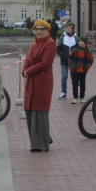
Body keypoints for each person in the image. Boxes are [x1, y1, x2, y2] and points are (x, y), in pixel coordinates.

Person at [22, 19, 56, 152]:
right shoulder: (35, 42)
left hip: (42, 81)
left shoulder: (50, 43)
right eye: (37, 29)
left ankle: (40, 144)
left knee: (40, 111)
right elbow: (28, 59)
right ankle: (43, 138)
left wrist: (28, 71)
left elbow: (45, 63)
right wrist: (24, 70)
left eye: (42, 29)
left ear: (48, 31)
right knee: (30, 109)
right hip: (32, 80)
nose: (39, 31)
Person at [56, 22, 78, 99]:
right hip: (64, 61)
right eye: (67, 27)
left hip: (73, 62)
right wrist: (62, 56)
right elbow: (58, 48)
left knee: (74, 77)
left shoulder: (76, 38)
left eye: (70, 27)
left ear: (73, 28)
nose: (68, 28)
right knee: (64, 77)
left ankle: (75, 92)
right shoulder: (62, 38)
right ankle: (63, 92)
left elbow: (79, 49)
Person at [69, 39, 93, 103]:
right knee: (75, 84)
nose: (81, 42)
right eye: (79, 41)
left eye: (82, 41)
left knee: (82, 84)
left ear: (85, 43)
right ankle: (75, 97)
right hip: (75, 70)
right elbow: (70, 58)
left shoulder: (88, 51)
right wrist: (72, 65)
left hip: (83, 70)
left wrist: (87, 67)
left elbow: (91, 60)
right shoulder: (75, 50)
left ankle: (82, 97)